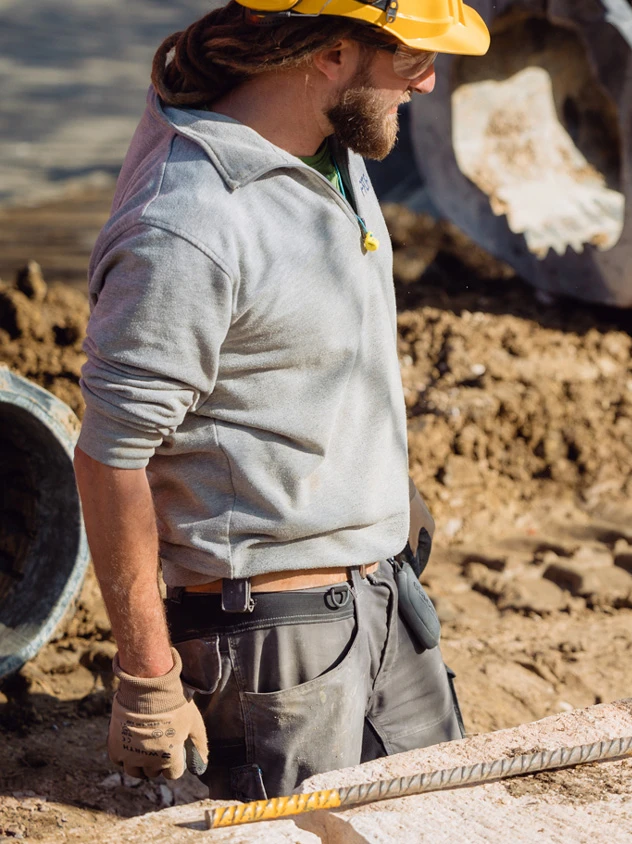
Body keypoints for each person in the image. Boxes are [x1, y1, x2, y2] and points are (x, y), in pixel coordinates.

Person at [74, 0, 488, 800]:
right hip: (274, 639)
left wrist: (373, 482)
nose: (430, 81)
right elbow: (110, 458)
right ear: (331, 54)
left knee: (449, 816)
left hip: (382, 598)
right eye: (411, 60)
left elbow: (303, 348)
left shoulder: (327, 143)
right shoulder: (190, 224)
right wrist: (147, 676)